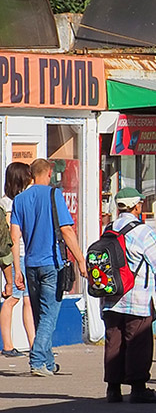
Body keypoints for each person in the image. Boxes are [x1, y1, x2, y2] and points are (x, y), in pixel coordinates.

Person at [10, 158, 85, 376]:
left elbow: (15, 237)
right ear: (49, 173)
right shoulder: (54, 195)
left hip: (30, 264)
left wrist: (17, 269)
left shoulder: (20, 199)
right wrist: (80, 260)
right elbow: (67, 230)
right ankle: (37, 360)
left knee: (39, 315)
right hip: (52, 263)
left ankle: (48, 362)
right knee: (49, 315)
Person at [102, 187, 156, 403]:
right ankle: (138, 388)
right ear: (136, 206)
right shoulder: (143, 232)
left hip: (111, 297)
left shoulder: (109, 228)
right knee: (138, 342)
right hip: (137, 299)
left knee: (114, 340)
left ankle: (113, 389)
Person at [1, 163, 35, 357]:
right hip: (16, 256)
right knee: (12, 298)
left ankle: (34, 344)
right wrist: (13, 265)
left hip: (26, 254)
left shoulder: (21, 200)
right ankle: (7, 344)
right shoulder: (8, 203)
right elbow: (10, 236)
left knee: (28, 300)